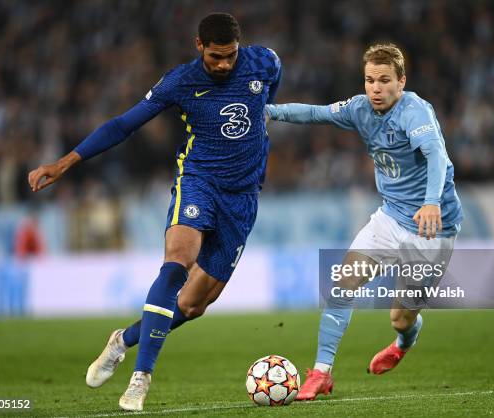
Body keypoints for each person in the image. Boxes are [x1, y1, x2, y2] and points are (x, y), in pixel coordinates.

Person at [28, 13, 281, 411]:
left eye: (230, 56)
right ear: (199, 46)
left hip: (243, 197)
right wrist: (65, 163)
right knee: (177, 263)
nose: (224, 64)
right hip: (199, 182)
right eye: (216, 57)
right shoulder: (180, 82)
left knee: (195, 304)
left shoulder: (266, 62)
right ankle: (140, 379)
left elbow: (266, 107)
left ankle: (122, 341)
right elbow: (122, 125)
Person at [265, 43, 463, 400]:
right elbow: (315, 114)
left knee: (400, 318)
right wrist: (270, 111)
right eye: (370, 80)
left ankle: (404, 341)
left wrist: (431, 202)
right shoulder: (359, 108)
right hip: (389, 217)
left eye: (384, 80)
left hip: (431, 227)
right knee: (343, 283)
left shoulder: (414, 112)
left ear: (401, 82)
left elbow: (437, 156)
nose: (375, 88)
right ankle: (321, 372)